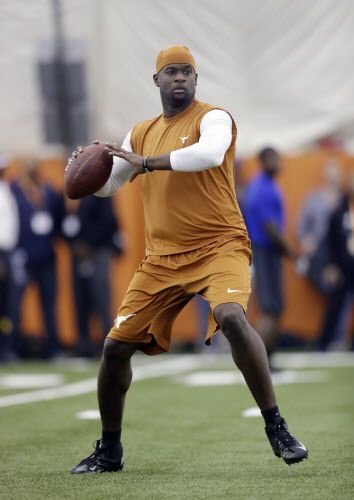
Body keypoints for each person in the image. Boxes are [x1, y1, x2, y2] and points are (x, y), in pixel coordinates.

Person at [70, 46, 308, 474]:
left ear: (195, 80)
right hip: (162, 257)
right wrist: (88, 172)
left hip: (220, 245)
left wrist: (147, 163)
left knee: (232, 316)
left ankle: (277, 426)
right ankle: (109, 450)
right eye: (171, 72)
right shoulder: (140, 133)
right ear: (156, 81)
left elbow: (209, 154)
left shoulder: (213, 117)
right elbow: (111, 186)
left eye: (187, 72)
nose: (180, 78)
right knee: (114, 347)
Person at [243, 148, 295, 365]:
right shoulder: (262, 187)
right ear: (263, 161)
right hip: (265, 251)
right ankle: (258, 362)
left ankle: (267, 360)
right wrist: (291, 252)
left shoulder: (265, 185)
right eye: (273, 158)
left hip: (268, 251)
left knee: (274, 307)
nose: (278, 163)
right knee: (270, 307)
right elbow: (269, 226)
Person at [8, 160, 64, 359]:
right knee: (15, 306)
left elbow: (58, 218)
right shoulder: (14, 191)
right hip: (23, 256)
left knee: (49, 306)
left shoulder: (47, 190)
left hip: (46, 257)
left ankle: (53, 349)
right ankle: (11, 349)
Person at [62, 196, 123, 357]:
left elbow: (108, 221)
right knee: (80, 300)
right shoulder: (70, 192)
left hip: (97, 253)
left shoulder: (100, 190)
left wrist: (89, 244)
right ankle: (83, 344)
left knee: (101, 298)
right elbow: (64, 222)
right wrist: (74, 244)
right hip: (78, 255)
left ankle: (108, 344)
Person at [317, 172, 354, 350]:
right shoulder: (339, 211)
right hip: (342, 264)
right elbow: (330, 240)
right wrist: (331, 265)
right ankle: (324, 342)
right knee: (336, 303)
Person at [297, 159, 342, 291]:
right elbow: (301, 224)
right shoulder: (313, 198)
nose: (332, 178)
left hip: (338, 250)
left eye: (335, 175)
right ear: (324, 175)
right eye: (330, 174)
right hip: (317, 250)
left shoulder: (344, 199)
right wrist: (305, 240)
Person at [0, 155, 19, 361]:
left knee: (9, 304)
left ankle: (7, 348)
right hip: (1, 251)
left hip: (9, 251)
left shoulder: (6, 189)